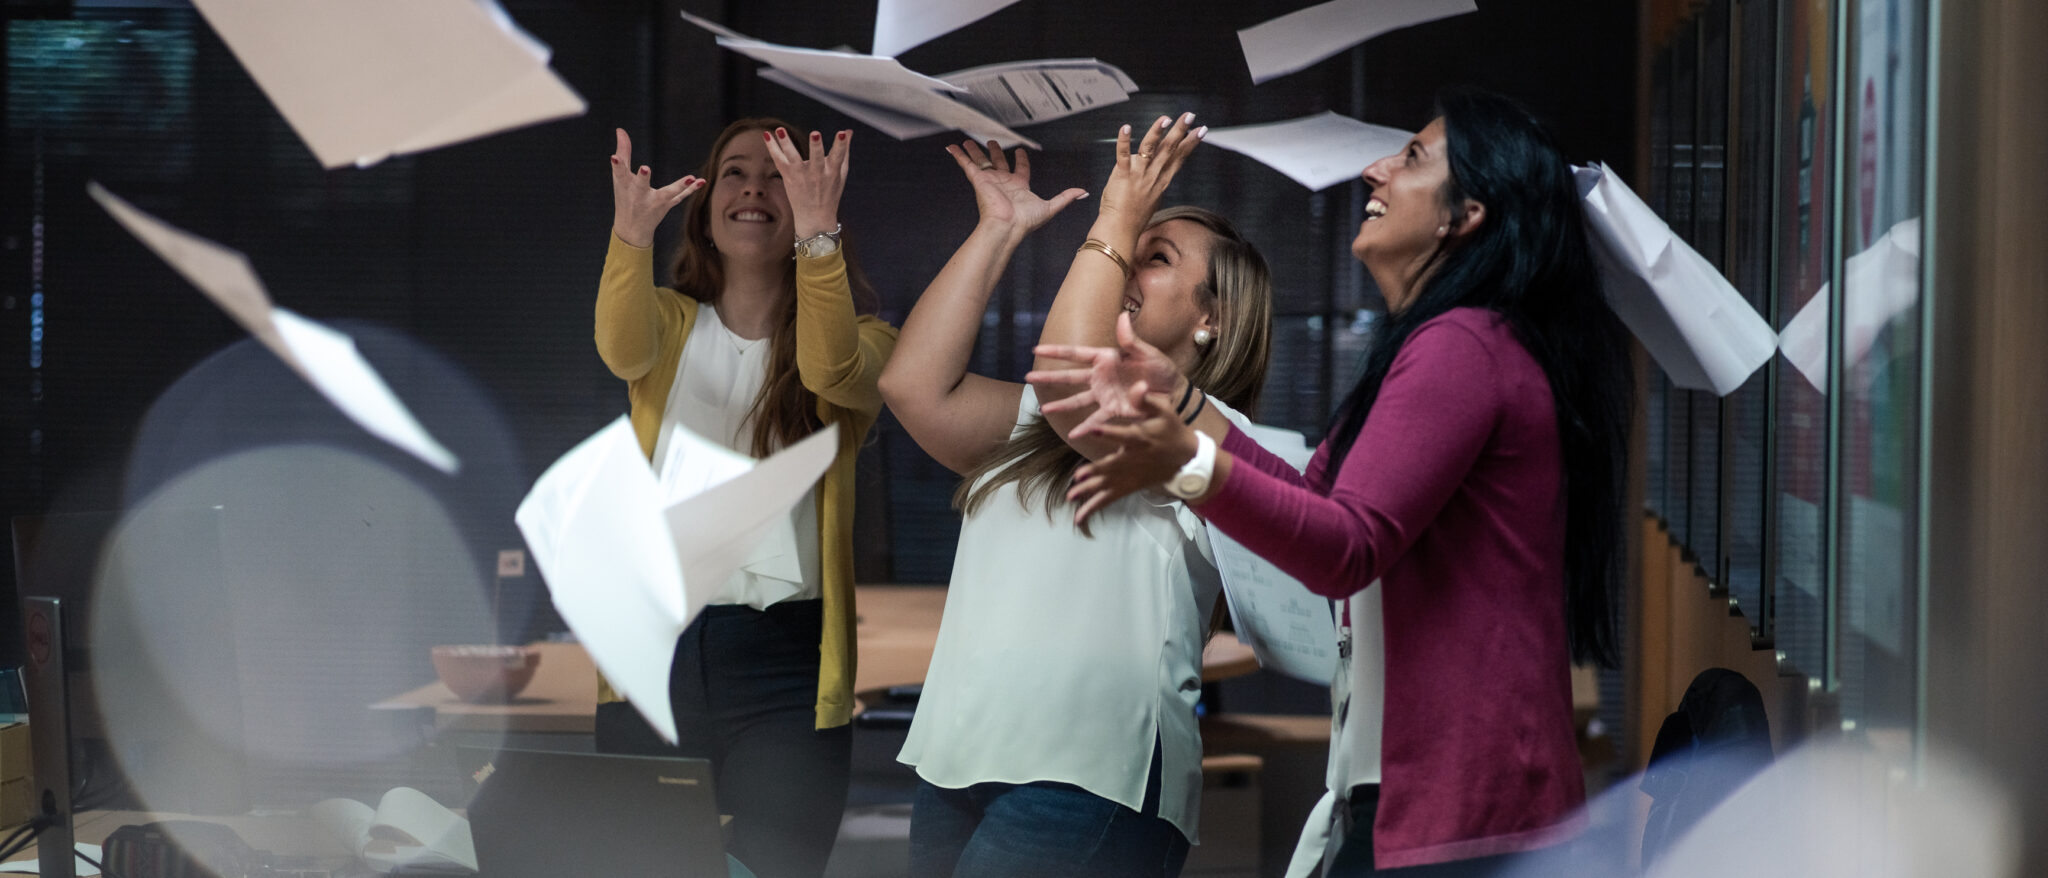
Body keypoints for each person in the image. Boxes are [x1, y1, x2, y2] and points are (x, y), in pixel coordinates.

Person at [1030, 88, 1635, 876]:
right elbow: (1319, 500)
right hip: (1445, 798)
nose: (1375, 171)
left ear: (1466, 215)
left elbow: (1346, 548)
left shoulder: (1463, 345)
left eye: (1412, 158)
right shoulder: (1442, 340)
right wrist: (1181, 405)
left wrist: (1183, 460)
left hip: (1470, 807)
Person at [878, 113, 1273, 878]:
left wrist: (1117, 216)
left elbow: (1075, 389)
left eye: (1150, 257)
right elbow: (913, 386)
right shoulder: (1045, 418)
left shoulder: (1216, 431)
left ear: (1212, 318)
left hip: (1092, 776)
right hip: (959, 758)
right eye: (1126, 249)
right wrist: (1000, 227)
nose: (1121, 261)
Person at [592, 118, 897, 878]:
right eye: (735, 171)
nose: (756, 187)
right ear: (704, 206)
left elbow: (830, 372)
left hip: (787, 666)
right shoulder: (666, 323)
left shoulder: (870, 344)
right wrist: (630, 235)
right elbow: (619, 347)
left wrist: (817, 233)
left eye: (780, 174)